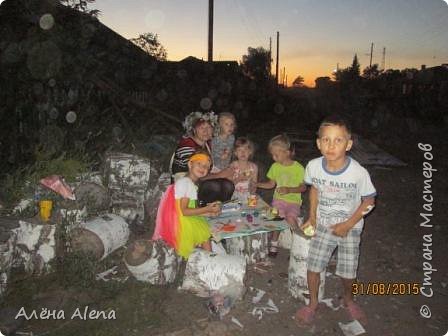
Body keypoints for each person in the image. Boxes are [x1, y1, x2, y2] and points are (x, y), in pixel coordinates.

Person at [295, 115, 376, 325]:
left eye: (338, 140)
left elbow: (369, 200)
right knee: (313, 266)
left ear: (348, 144)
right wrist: (312, 217)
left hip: (350, 226)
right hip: (323, 224)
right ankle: (312, 303)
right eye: (326, 140)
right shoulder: (313, 166)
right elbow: (314, 190)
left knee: (348, 271)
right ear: (318, 143)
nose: (331, 145)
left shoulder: (358, 172)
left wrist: (348, 224)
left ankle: (349, 299)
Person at [153, 152, 221, 259]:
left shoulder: (189, 183)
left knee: (203, 234)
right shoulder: (185, 183)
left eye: (207, 167)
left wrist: (209, 212)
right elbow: (184, 211)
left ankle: (206, 259)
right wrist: (207, 208)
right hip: (181, 222)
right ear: (190, 164)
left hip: (185, 218)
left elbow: (192, 209)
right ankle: (210, 261)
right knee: (203, 234)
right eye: (200, 164)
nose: (203, 168)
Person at [257, 134, 306, 257]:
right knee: (276, 218)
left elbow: (303, 187)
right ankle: (274, 244)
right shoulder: (275, 167)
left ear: (287, 152)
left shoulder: (298, 168)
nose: (273, 157)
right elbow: (271, 184)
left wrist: (289, 190)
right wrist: (257, 184)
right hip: (278, 200)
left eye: (276, 154)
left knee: (290, 218)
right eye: (272, 154)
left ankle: (298, 242)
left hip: (294, 201)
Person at [171, 111, 235, 205]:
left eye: (209, 128)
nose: (206, 131)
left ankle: (220, 210)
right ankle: (203, 210)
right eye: (202, 128)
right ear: (194, 130)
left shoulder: (207, 144)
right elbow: (195, 175)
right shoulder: (187, 145)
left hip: (202, 178)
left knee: (228, 185)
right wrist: (220, 175)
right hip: (186, 182)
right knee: (214, 186)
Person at [218, 137, 258, 202]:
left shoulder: (253, 167)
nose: (243, 152)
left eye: (246, 149)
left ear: (250, 151)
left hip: (247, 195)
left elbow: (254, 186)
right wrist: (239, 178)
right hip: (233, 195)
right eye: (239, 150)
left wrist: (252, 191)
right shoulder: (233, 166)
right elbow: (228, 186)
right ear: (235, 153)